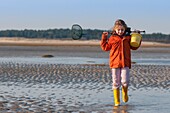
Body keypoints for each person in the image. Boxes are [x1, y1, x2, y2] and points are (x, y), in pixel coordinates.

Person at [100, 19, 141, 106]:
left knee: (125, 81)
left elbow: (134, 47)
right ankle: (117, 101)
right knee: (115, 82)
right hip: (115, 63)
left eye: (122, 30)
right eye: (118, 30)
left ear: (125, 29)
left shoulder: (128, 38)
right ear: (115, 30)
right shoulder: (112, 38)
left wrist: (137, 36)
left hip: (125, 63)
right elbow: (105, 47)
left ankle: (125, 93)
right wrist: (104, 37)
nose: (120, 31)